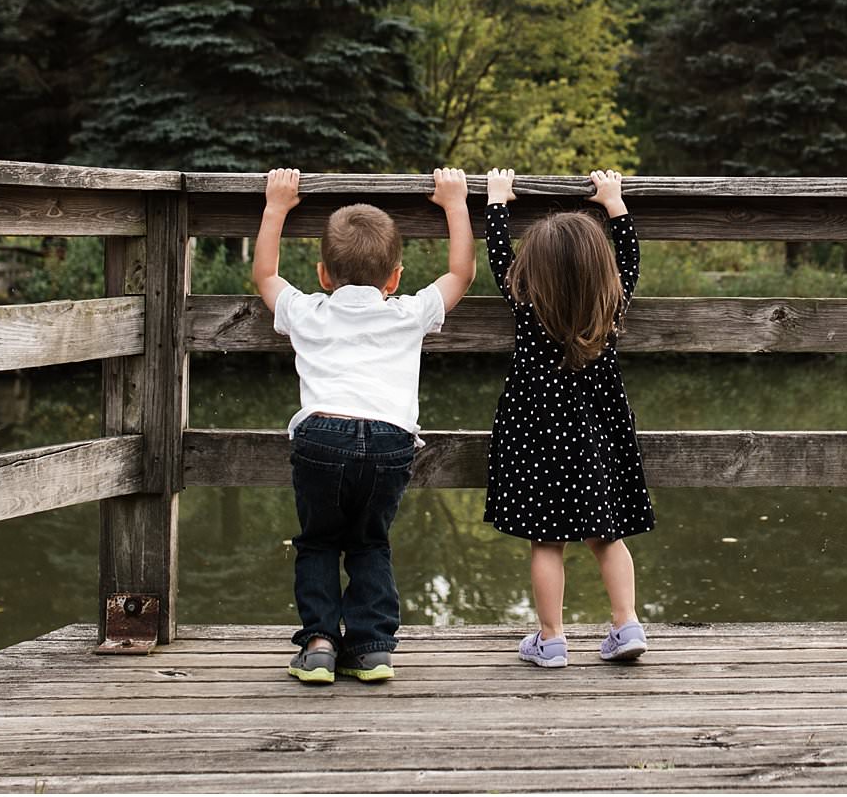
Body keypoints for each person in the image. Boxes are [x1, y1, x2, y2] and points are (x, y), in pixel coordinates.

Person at [252, 166, 475, 685]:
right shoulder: (409, 312)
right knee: (371, 542)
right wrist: (455, 203)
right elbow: (461, 273)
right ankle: (373, 649)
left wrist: (276, 207)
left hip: (321, 437)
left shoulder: (307, 311)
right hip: (390, 441)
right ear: (395, 277)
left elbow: (265, 274)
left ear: (323, 275)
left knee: (319, 541)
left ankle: (321, 644)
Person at [482, 167, 654, 668]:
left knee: (546, 539)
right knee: (607, 535)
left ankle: (551, 639)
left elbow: (499, 258)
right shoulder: (611, 304)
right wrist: (614, 203)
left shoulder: (526, 304)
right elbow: (630, 259)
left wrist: (497, 203)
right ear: (606, 272)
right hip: (598, 433)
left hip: (536, 434)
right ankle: (626, 624)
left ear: (528, 273)